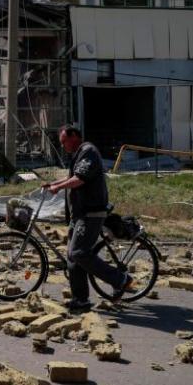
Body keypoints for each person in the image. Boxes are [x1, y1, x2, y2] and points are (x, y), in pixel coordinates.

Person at [42, 125, 133, 311]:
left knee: (79, 253)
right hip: (79, 214)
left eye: (64, 141)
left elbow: (80, 179)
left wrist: (58, 188)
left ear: (74, 136)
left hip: (91, 213)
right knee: (72, 257)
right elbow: (73, 177)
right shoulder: (78, 154)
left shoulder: (88, 151)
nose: (63, 146)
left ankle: (120, 279)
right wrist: (53, 183)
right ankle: (80, 299)